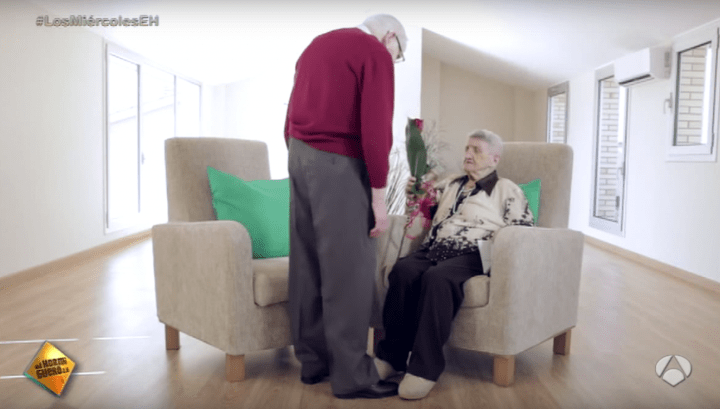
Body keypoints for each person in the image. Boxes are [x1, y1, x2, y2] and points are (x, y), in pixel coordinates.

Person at [284, 14, 407, 399]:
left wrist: (298, 154)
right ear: (390, 35)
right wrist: (378, 197)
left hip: (299, 154)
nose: (394, 60)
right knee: (349, 271)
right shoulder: (374, 52)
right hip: (339, 162)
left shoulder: (316, 44)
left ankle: (313, 363)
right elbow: (376, 129)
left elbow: (290, 112)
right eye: (398, 53)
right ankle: (353, 377)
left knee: (306, 263)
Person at [374, 129, 534, 400]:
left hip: (473, 253)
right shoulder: (449, 183)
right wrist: (414, 191)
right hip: (434, 248)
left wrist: (500, 254)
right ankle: (392, 357)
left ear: (494, 159)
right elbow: (422, 209)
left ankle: (424, 369)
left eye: (477, 150)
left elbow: (523, 231)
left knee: (438, 278)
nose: (468, 154)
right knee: (402, 271)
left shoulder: (507, 189)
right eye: (467, 148)